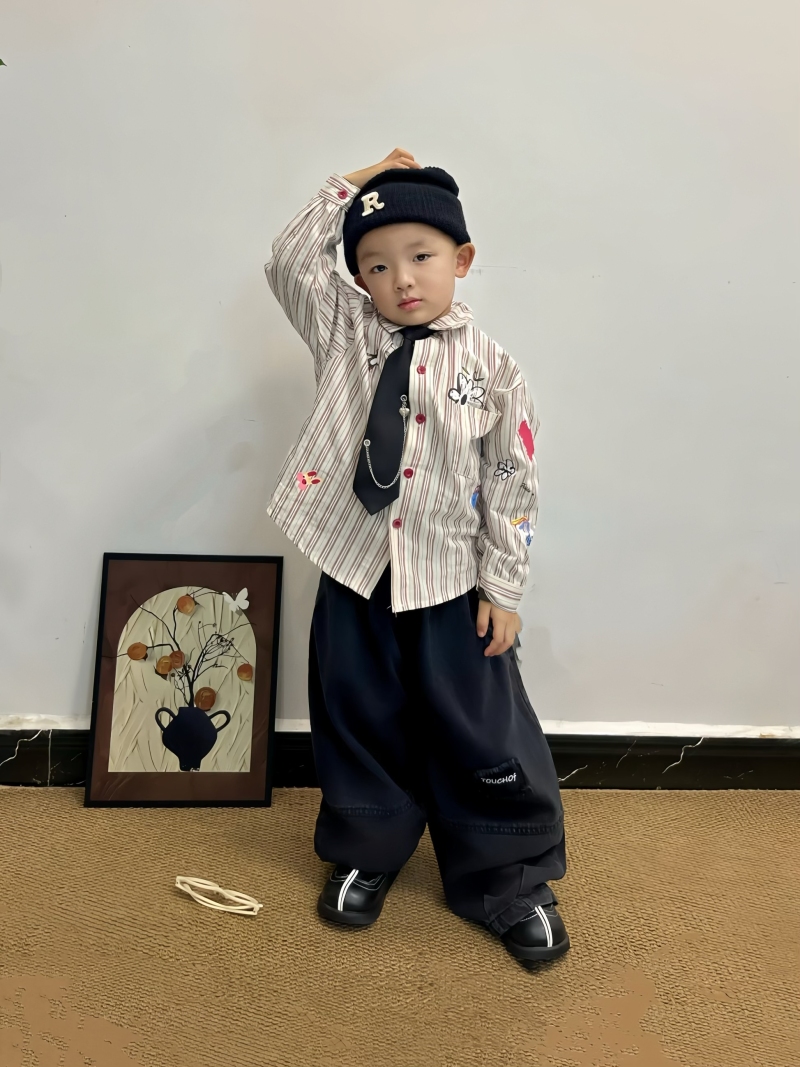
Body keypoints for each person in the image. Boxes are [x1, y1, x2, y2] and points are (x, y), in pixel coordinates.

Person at [264, 147, 569, 964]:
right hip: (355, 566)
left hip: (450, 580)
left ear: (461, 260)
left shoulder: (495, 369)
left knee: (481, 729)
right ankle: (368, 845)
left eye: (421, 256)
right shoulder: (346, 334)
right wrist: (355, 181)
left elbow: (512, 479)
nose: (400, 279)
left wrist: (503, 588)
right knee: (358, 713)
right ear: (358, 279)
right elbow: (290, 259)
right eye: (376, 265)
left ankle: (506, 876)